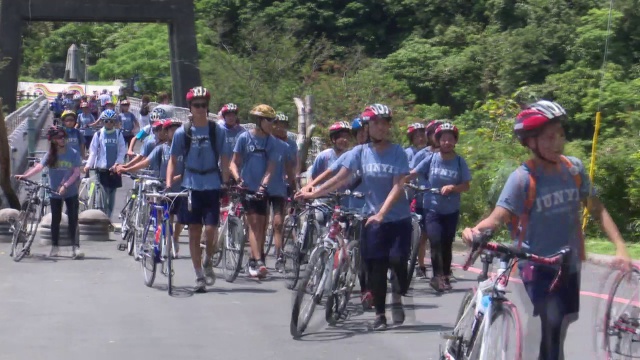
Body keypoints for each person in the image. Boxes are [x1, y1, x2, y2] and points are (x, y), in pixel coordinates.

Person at [460, 100, 631, 360]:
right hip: (532, 267)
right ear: (530, 142)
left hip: (567, 264)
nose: (557, 143)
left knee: (558, 329)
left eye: (560, 135)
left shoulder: (573, 170)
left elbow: (598, 209)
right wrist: (472, 230)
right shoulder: (522, 178)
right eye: (549, 137)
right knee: (543, 330)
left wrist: (620, 246)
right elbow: (497, 218)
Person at [298, 104, 412, 330]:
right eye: (376, 123)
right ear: (368, 127)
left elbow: (399, 185)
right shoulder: (361, 152)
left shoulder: (397, 151)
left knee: (398, 262)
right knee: (376, 267)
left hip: (397, 219)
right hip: (372, 219)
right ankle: (380, 315)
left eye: (385, 123)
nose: (381, 127)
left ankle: (397, 297)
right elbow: (341, 176)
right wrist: (314, 192)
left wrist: (382, 212)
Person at [167, 86, 230, 293]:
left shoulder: (216, 130)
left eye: (204, 105)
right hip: (190, 185)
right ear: (190, 108)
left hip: (211, 184)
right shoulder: (182, 132)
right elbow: (173, 159)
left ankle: (209, 259)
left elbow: (225, 157)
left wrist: (226, 182)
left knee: (210, 230)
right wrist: (169, 182)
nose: (201, 109)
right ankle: (199, 275)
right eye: (197, 105)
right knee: (194, 231)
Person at [410, 122, 471, 292]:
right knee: (435, 241)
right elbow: (415, 172)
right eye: (443, 139)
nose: (446, 142)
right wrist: (400, 181)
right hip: (432, 208)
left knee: (446, 243)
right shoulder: (431, 158)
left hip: (451, 210)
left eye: (450, 139)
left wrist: (453, 188)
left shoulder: (459, 162)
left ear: (455, 141)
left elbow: (466, 185)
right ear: (438, 140)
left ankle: (445, 274)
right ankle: (437, 277)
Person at [117, 119, 184, 258]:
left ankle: (174, 238)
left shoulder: (185, 149)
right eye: (171, 130)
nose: (174, 132)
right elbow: (145, 161)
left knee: (181, 219)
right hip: (163, 188)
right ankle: (164, 243)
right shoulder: (161, 148)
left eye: (177, 130)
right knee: (165, 218)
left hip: (181, 189)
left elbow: (188, 169)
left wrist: (173, 179)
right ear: (166, 133)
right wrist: (127, 168)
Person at [15, 126, 84, 259]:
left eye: (64, 136)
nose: (62, 139)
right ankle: (55, 247)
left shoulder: (73, 152)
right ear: (53, 140)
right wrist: (25, 176)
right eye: (59, 137)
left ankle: (75, 248)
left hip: (70, 190)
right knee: (55, 219)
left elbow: (76, 172)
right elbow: (39, 167)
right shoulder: (50, 154)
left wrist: (65, 185)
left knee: (73, 219)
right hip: (54, 191)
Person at [229, 104, 281, 278]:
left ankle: (253, 259)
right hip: (246, 186)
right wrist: (238, 179)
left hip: (262, 189)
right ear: (259, 121)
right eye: (269, 121)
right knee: (253, 223)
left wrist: (263, 186)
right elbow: (233, 163)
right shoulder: (244, 138)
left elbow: (271, 167)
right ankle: (259, 261)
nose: (272, 124)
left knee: (261, 225)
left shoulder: (272, 141)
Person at [85, 110, 127, 218]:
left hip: (114, 169)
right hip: (102, 168)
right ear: (103, 122)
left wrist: (118, 163)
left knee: (112, 194)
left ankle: (109, 216)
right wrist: (88, 165)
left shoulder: (118, 134)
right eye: (106, 121)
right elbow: (93, 151)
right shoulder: (98, 134)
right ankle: (103, 215)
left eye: (111, 121)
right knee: (103, 193)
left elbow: (122, 150)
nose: (109, 123)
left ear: (114, 122)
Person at [269, 112, 297, 272]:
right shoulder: (268, 141)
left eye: (283, 125)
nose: (280, 128)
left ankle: (279, 255)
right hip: (263, 187)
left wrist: (294, 181)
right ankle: (256, 257)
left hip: (281, 186)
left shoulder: (290, 145)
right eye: (277, 124)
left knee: (278, 223)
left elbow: (294, 163)